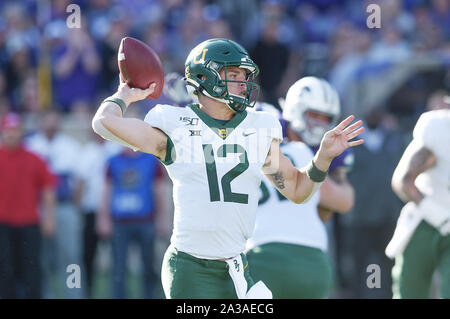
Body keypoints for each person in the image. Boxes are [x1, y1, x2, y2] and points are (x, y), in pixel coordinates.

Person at [92, 38, 364, 299]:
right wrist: (124, 95)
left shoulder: (258, 127)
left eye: (245, 76)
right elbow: (104, 123)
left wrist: (323, 159)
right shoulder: (176, 124)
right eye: (235, 74)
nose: (244, 83)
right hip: (191, 265)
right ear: (205, 77)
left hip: (238, 268)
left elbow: (297, 190)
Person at [246, 77, 356, 298]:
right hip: (309, 260)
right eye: (313, 115)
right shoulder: (283, 141)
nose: (318, 124)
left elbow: (344, 201)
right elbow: (341, 199)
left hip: (258, 252)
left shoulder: (263, 129)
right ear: (296, 109)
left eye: (325, 118)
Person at [387, 92, 450, 298]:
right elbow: (403, 181)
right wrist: (439, 216)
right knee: (409, 292)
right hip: (426, 222)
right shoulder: (440, 126)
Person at [26, 110, 83, 298]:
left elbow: (81, 180)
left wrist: (74, 204)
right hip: (38, 208)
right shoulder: (31, 145)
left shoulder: (70, 146)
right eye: (46, 119)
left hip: (65, 206)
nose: (50, 124)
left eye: (54, 120)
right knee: (39, 256)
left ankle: (72, 294)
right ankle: (45, 294)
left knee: (70, 255)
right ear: (40, 122)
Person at [0, 113, 56, 298]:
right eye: (9, 130)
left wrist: (49, 218)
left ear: (21, 132)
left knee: (31, 269)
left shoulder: (34, 158)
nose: (12, 134)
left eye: (15, 131)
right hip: (3, 224)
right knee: (5, 269)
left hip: (29, 222)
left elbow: (48, 188)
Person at [97, 146, 164, 299]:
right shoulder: (113, 161)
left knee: (148, 265)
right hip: (120, 222)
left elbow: (159, 190)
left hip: (146, 220)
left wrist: (162, 219)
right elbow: (106, 191)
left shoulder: (151, 161)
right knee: (119, 267)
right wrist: (103, 219)